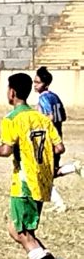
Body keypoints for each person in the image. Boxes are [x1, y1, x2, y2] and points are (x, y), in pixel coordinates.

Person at [0, 73, 71, 259]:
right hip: (41, 182)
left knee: (21, 232)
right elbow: (59, 147)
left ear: (12, 92)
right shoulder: (41, 118)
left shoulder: (12, 119)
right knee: (19, 231)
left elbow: (5, 151)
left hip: (23, 183)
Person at [34, 66, 82, 212]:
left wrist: (38, 122)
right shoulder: (54, 96)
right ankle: (74, 167)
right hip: (58, 137)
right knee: (51, 172)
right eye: (34, 82)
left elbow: (50, 117)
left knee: (43, 175)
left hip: (49, 140)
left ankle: (60, 204)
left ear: (46, 84)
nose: (35, 85)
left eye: (37, 82)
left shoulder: (43, 98)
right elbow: (63, 116)